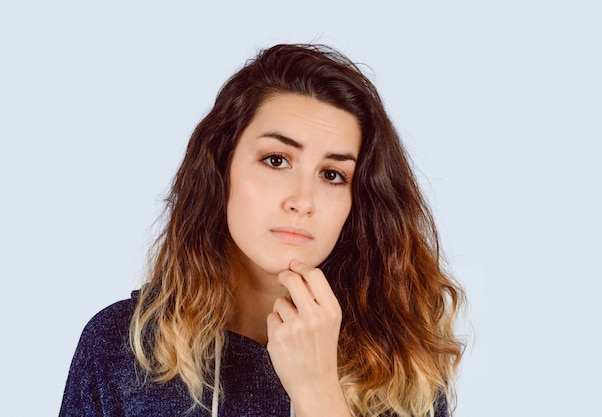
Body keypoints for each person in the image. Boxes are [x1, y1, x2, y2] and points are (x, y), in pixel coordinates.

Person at [59, 44, 465, 417]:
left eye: (332, 174)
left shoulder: (402, 361)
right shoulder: (121, 346)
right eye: (276, 160)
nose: (302, 199)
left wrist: (318, 389)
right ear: (222, 168)